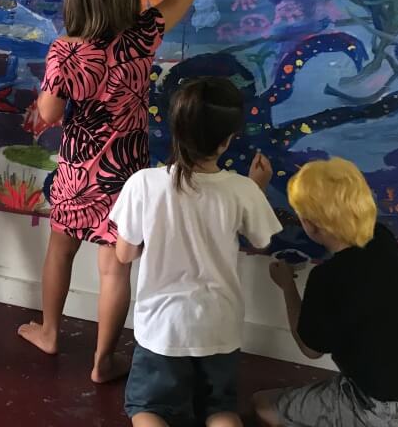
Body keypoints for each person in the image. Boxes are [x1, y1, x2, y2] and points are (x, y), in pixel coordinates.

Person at [18, 0, 201, 383]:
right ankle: (103, 361)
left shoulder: (66, 51)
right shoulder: (144, 36)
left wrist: (43, 103)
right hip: (128, 174)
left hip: (79, 172)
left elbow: (52, 112)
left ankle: (51, 332)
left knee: (60, 251)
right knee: (115, 270)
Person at [111, 77, 281, 427]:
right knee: (219, 410)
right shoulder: (242, 189)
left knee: (147, 409)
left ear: (175, 129)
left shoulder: (144, 183)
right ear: (227, 140)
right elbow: (262, 241)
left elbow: (124, 255)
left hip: (162, 327)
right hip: (219, 325)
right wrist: (256, 190)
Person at [253, 158, 398, 427]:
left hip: (385, 407)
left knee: (262, 406)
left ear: (310, 225)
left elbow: (310, 350)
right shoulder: (382, 237)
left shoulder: (327, 277)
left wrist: (287, 285)